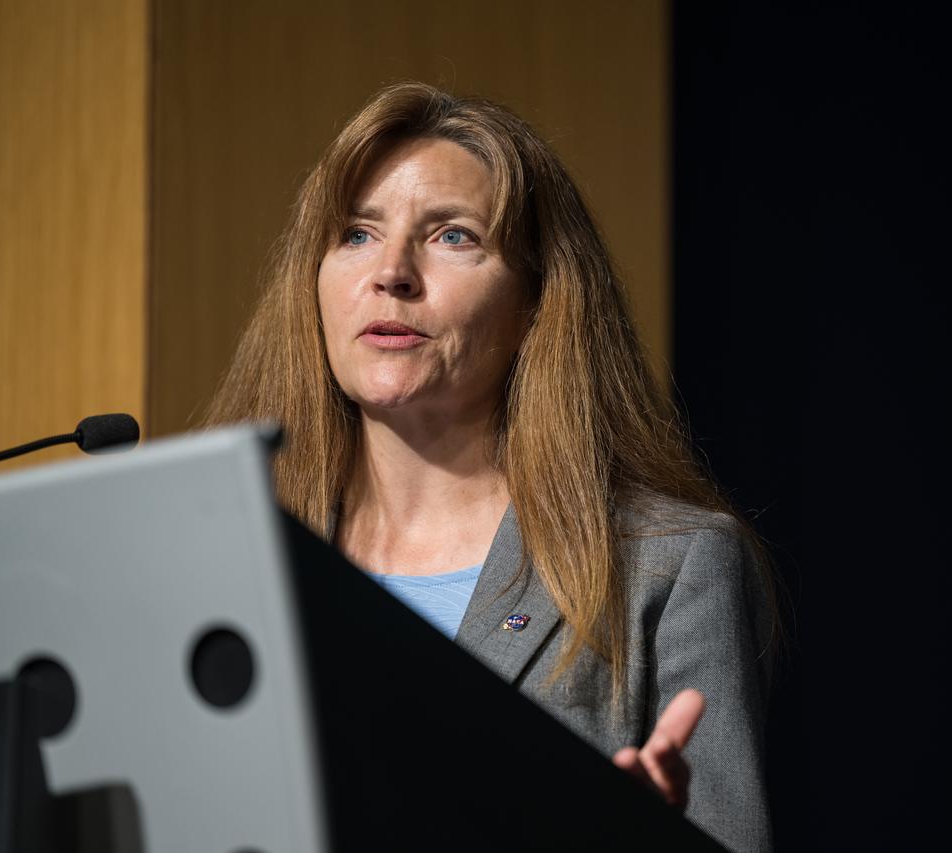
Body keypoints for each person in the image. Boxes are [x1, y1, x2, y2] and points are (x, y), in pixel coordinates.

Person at [206, 82, 777, 852]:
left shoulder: (667, 568)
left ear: (537, 301)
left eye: (452, 236)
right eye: (355, 234)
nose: (393, 273)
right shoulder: (228, 568)